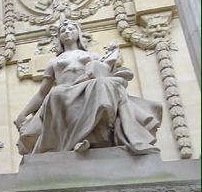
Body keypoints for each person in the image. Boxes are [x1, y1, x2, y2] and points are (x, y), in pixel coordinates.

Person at [14, 20, 161, 156]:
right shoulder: (54, 61)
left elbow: (103, 71)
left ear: (78, 33)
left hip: (87, 89)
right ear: (59, 37)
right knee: (56, 94)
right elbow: (42, 93)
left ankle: (97, 137)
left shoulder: (92, 55)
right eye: (63, 30)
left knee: (105, 84)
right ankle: (77, 141)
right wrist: (23, 114)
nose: (67, 32)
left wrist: (112, 57)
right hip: (64, 92)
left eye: (71, 29)